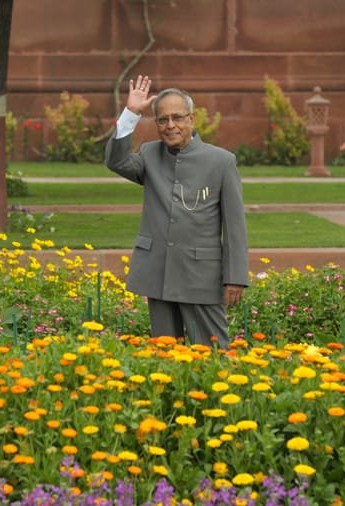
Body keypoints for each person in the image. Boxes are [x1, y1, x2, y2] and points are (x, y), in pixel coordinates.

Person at [105, 74, 249, 349]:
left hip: (201, 276)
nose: (170, 126)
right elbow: (116, 160)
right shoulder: (149, 154)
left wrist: (235, 277)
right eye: (162, 120)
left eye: (177, 118)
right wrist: (132, 113)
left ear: (191, 119)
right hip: (157, 272)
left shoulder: (221, 162)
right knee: (165, 354)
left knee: (213, 353)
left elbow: (235, 227)